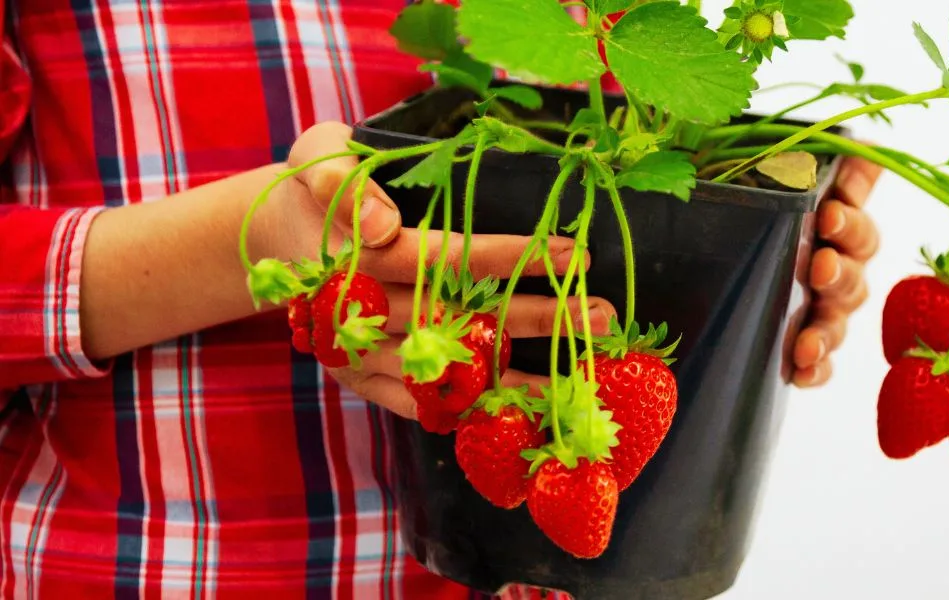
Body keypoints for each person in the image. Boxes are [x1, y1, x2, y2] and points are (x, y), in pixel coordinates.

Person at [0, 0, 882, 597]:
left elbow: (633, 157)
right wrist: (245, 244)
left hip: (570, 558)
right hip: (164, 565)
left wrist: (765, 270)